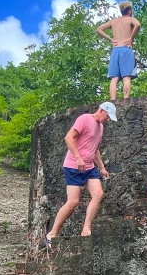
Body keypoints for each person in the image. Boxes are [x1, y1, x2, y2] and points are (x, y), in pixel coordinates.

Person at [46, 102, 117, 241]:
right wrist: (78, 158)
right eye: (107, 116)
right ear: (101, 110)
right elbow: (68, 137)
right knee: (73, 202)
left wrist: (101, 167)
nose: (107, 120)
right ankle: (52, 233)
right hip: (73, 166)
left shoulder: (101, 127)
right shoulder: (85, 119)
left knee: (98, 194)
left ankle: (86, 229)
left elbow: (95, 149)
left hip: (89, 168)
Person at [96, 1, 141, 101]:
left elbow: (98, 29)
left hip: (115, 50)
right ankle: (126, 100)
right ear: (129, 10)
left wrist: (111, 39)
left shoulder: (114, 21)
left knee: (114, 78)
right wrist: (131, 38)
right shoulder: (130, 19)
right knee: (126, 78)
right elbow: (138, 24)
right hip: (126, 49)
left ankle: (113, 101)